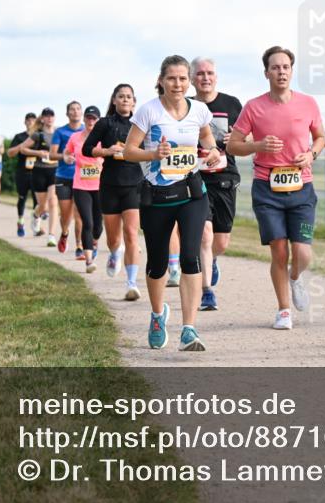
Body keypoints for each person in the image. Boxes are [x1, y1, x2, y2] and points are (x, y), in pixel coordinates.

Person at [123, 55, 222, 352]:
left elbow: (206, 136)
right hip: (157, 196)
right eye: (171, 78)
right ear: (161, 80)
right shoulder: (148, 112)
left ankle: (189, 329)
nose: (177, 84)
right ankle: (157, 315)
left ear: (189, 81)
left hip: (192, 192)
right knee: (157, 264)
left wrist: (213, 150)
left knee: (190, 257)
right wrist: (153, 155)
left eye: (182, 78)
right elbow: (129, 151)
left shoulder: (200, 110)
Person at [227, 46, 325, 331]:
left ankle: (296, 277)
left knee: (303, 253)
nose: (281, 72)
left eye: (286, 67)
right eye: (275, 67)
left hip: (302, 187)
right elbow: (233, 145)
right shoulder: (254, 107)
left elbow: (318, 137)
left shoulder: (307, 103)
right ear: (266, 73)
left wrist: (311, 155)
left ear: (291, 71)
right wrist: (258, 145)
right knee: (279, 250)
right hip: (267, 188)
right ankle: (283, 310)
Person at [189, 56, 243, 312]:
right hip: (196, 177)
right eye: (200, 74)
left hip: (225, 176)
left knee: (220, 242)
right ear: (192, 79)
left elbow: (248, 136)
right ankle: (206, 292)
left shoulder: (231, 104)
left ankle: (211, 262)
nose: (205, 78)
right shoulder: (185, 106)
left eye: (209, 73)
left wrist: (238, 137)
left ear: (216, 76)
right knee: (205, 236)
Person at [82, 84, 143, 299]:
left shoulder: (141, 124)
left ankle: (131, 283)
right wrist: (106, 151)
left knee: (132, 234)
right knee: (114, 239)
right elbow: (86, 149)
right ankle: (115, 253)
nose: (125, 100)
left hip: (134, 184)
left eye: (129, 97)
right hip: (109, 185)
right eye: (121, 96)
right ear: (114, 100)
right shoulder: (105, 123)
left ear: (134, 102)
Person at [65, 106, 104, 273]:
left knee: (98, 226)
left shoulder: (104, 139)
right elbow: (67, 153)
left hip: (100, 186)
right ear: (84, 119)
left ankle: (94, 242)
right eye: (88, 118)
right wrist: (68, 158)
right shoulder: (75, 137)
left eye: (94, 118)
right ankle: (88, 260)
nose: (91, 121)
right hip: (81, 186)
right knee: (87, 222)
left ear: (98, 120)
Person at [17, 108, 59, 245]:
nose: (49, 118)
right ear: (42, 119)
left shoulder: (59, 133)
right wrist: (38, 153)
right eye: (46, 116)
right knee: (43, 206)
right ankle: (35, 215)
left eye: (51, 115)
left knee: (53, 201)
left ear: (54, 117)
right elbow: (23, 149)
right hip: (39, 171)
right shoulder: (38, 135)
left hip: (55, 171)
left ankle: (51, 235)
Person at [50, 101, 85, 257]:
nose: (75, 111)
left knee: (80, 213)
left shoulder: (87, 131)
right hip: (63, 176)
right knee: (66, 215)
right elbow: (52, 154)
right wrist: (65, 157)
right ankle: (64, 233)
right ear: (67, 113)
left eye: (78, 109)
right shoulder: (60, 132)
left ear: (81, 112)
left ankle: (79, 246)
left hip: (83, 177)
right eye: (72, 109)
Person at [7, 113, 39, 237]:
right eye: (28, 120)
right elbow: (10, 153)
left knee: (38, 200)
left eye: (33, 120)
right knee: (22, 197)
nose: (31, 122)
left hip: (37, 172)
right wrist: (22, 146)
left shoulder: (39, 136)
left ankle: (37, 224)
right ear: (25, 122)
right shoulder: (19, 137)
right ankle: (20, 221)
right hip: (22, 172)